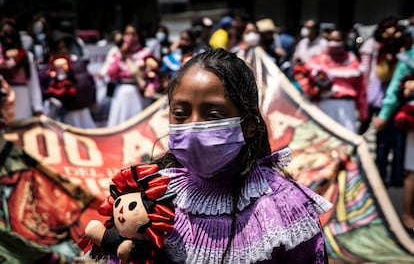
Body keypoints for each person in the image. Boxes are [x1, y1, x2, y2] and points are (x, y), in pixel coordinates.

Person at [114, 48, 332, 263]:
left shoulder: (283, 206)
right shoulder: (150, 195)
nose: (193, 127)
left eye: (213, 115)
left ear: (248, 126)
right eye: (180, 114)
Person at [358, 17, 408, 187]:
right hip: (377, 95)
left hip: (395, 97)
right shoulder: (373, 45)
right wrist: (363, 95)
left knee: (393, 137)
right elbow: (366, 71)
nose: (393, 32)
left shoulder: (401, 48)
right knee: (375, 134)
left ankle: (394, 175)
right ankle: (374, 172)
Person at [372, 47, 414, 232]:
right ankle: (407, 214)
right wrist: (385, 114)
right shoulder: (409, 59)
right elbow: (397, 86)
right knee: (412, 171)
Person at [301, 28, 368, 133]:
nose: (333, 44)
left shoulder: (352, 60)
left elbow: (361, 89)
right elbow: (307, 83)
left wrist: (363, 111)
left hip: (346, 106)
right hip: (324, 105)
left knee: (347, 138)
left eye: (337, 40)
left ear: (344, 41)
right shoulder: (318, 60)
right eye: (331, 40)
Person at [105, 23, 157, 127]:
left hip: (138, 93)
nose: (130, 37)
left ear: (139, 36)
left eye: (133, 34)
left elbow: (153, 75)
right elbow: (111, 74)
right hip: (121, 93)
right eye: (127, 34)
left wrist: (151, 87)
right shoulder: (117, 53)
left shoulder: (145, 53)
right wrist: (122, 55)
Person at [0, 18, 43, 121]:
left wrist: (37, 107)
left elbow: (33, 83)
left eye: (11, 33)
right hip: (3, 101)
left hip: (23, 101)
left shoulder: (27, 57)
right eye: (4, 33)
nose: (8, 37)